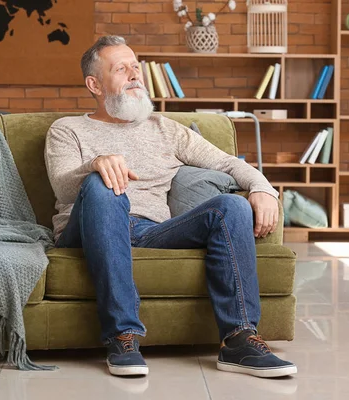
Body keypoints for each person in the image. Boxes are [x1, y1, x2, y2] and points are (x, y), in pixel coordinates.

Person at [44, 35, 297, 378]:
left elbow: (228, 164)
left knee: (232, 207)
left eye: (136, 66)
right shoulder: (67, 129)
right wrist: (94, 165)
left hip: (151, 229)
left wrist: (263, 188)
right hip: (87, 228)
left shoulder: (165, 129)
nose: (135, 74)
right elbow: (61, 184)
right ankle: (123, 335)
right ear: (95, 84)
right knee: (102, 185)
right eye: (121, 69)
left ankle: (239, 340)